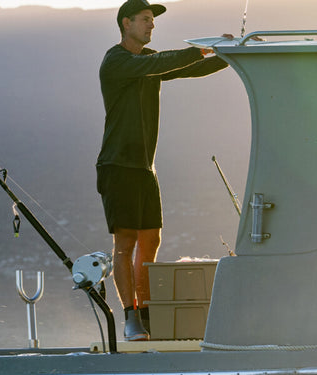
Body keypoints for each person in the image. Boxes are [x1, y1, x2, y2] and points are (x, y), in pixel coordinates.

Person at [97, 0, 229, 341]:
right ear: (126, 23)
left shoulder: (148, 62)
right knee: (125, 242)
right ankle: (131, 316)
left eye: (152, 21)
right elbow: (168, 61)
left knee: (151, 238)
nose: (151, 25)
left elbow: (186, 68)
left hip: (143, 168)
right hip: (118, 165)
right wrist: (202, 49)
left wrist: (232, 55)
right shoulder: (118, 61)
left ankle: (146, 310)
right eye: (144, 20)